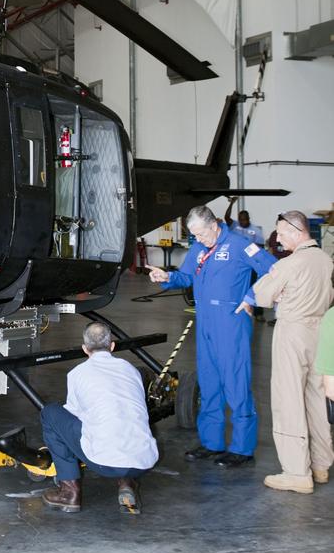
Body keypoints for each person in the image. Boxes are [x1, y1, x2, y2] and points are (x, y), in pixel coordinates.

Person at [147, 204, 275, 467]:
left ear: (214, 226)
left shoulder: (241, 245)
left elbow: (272, 270)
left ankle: (242, 447)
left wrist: (252, 298)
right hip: (205, 321)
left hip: (231, 323)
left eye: (202, 235)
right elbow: (185, 277)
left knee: (236, 382)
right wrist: (166, 276)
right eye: (194, 236)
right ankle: (212, 442)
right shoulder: (199, 247)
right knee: (209, 382)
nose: (199, 240)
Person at [252, 211, 334, 494]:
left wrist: (279, 292)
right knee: (316, 397)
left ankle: (297, 472)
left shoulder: (290, 263)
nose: (278, 238)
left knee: (288, 400)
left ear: (297, 231)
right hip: (321, 332)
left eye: (282, 233)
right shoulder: (326, 260)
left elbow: (261, 294)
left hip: (293, 332)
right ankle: (321, 465)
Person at [39, 320, 158, 515]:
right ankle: (127, 482)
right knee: (125, 417)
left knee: (51, 413)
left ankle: (69, 492)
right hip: (143, 462)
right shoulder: (131, 370)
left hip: (105, 463)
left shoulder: (78, 374)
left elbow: (74, 414)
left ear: (85, 349)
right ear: (112, 346)